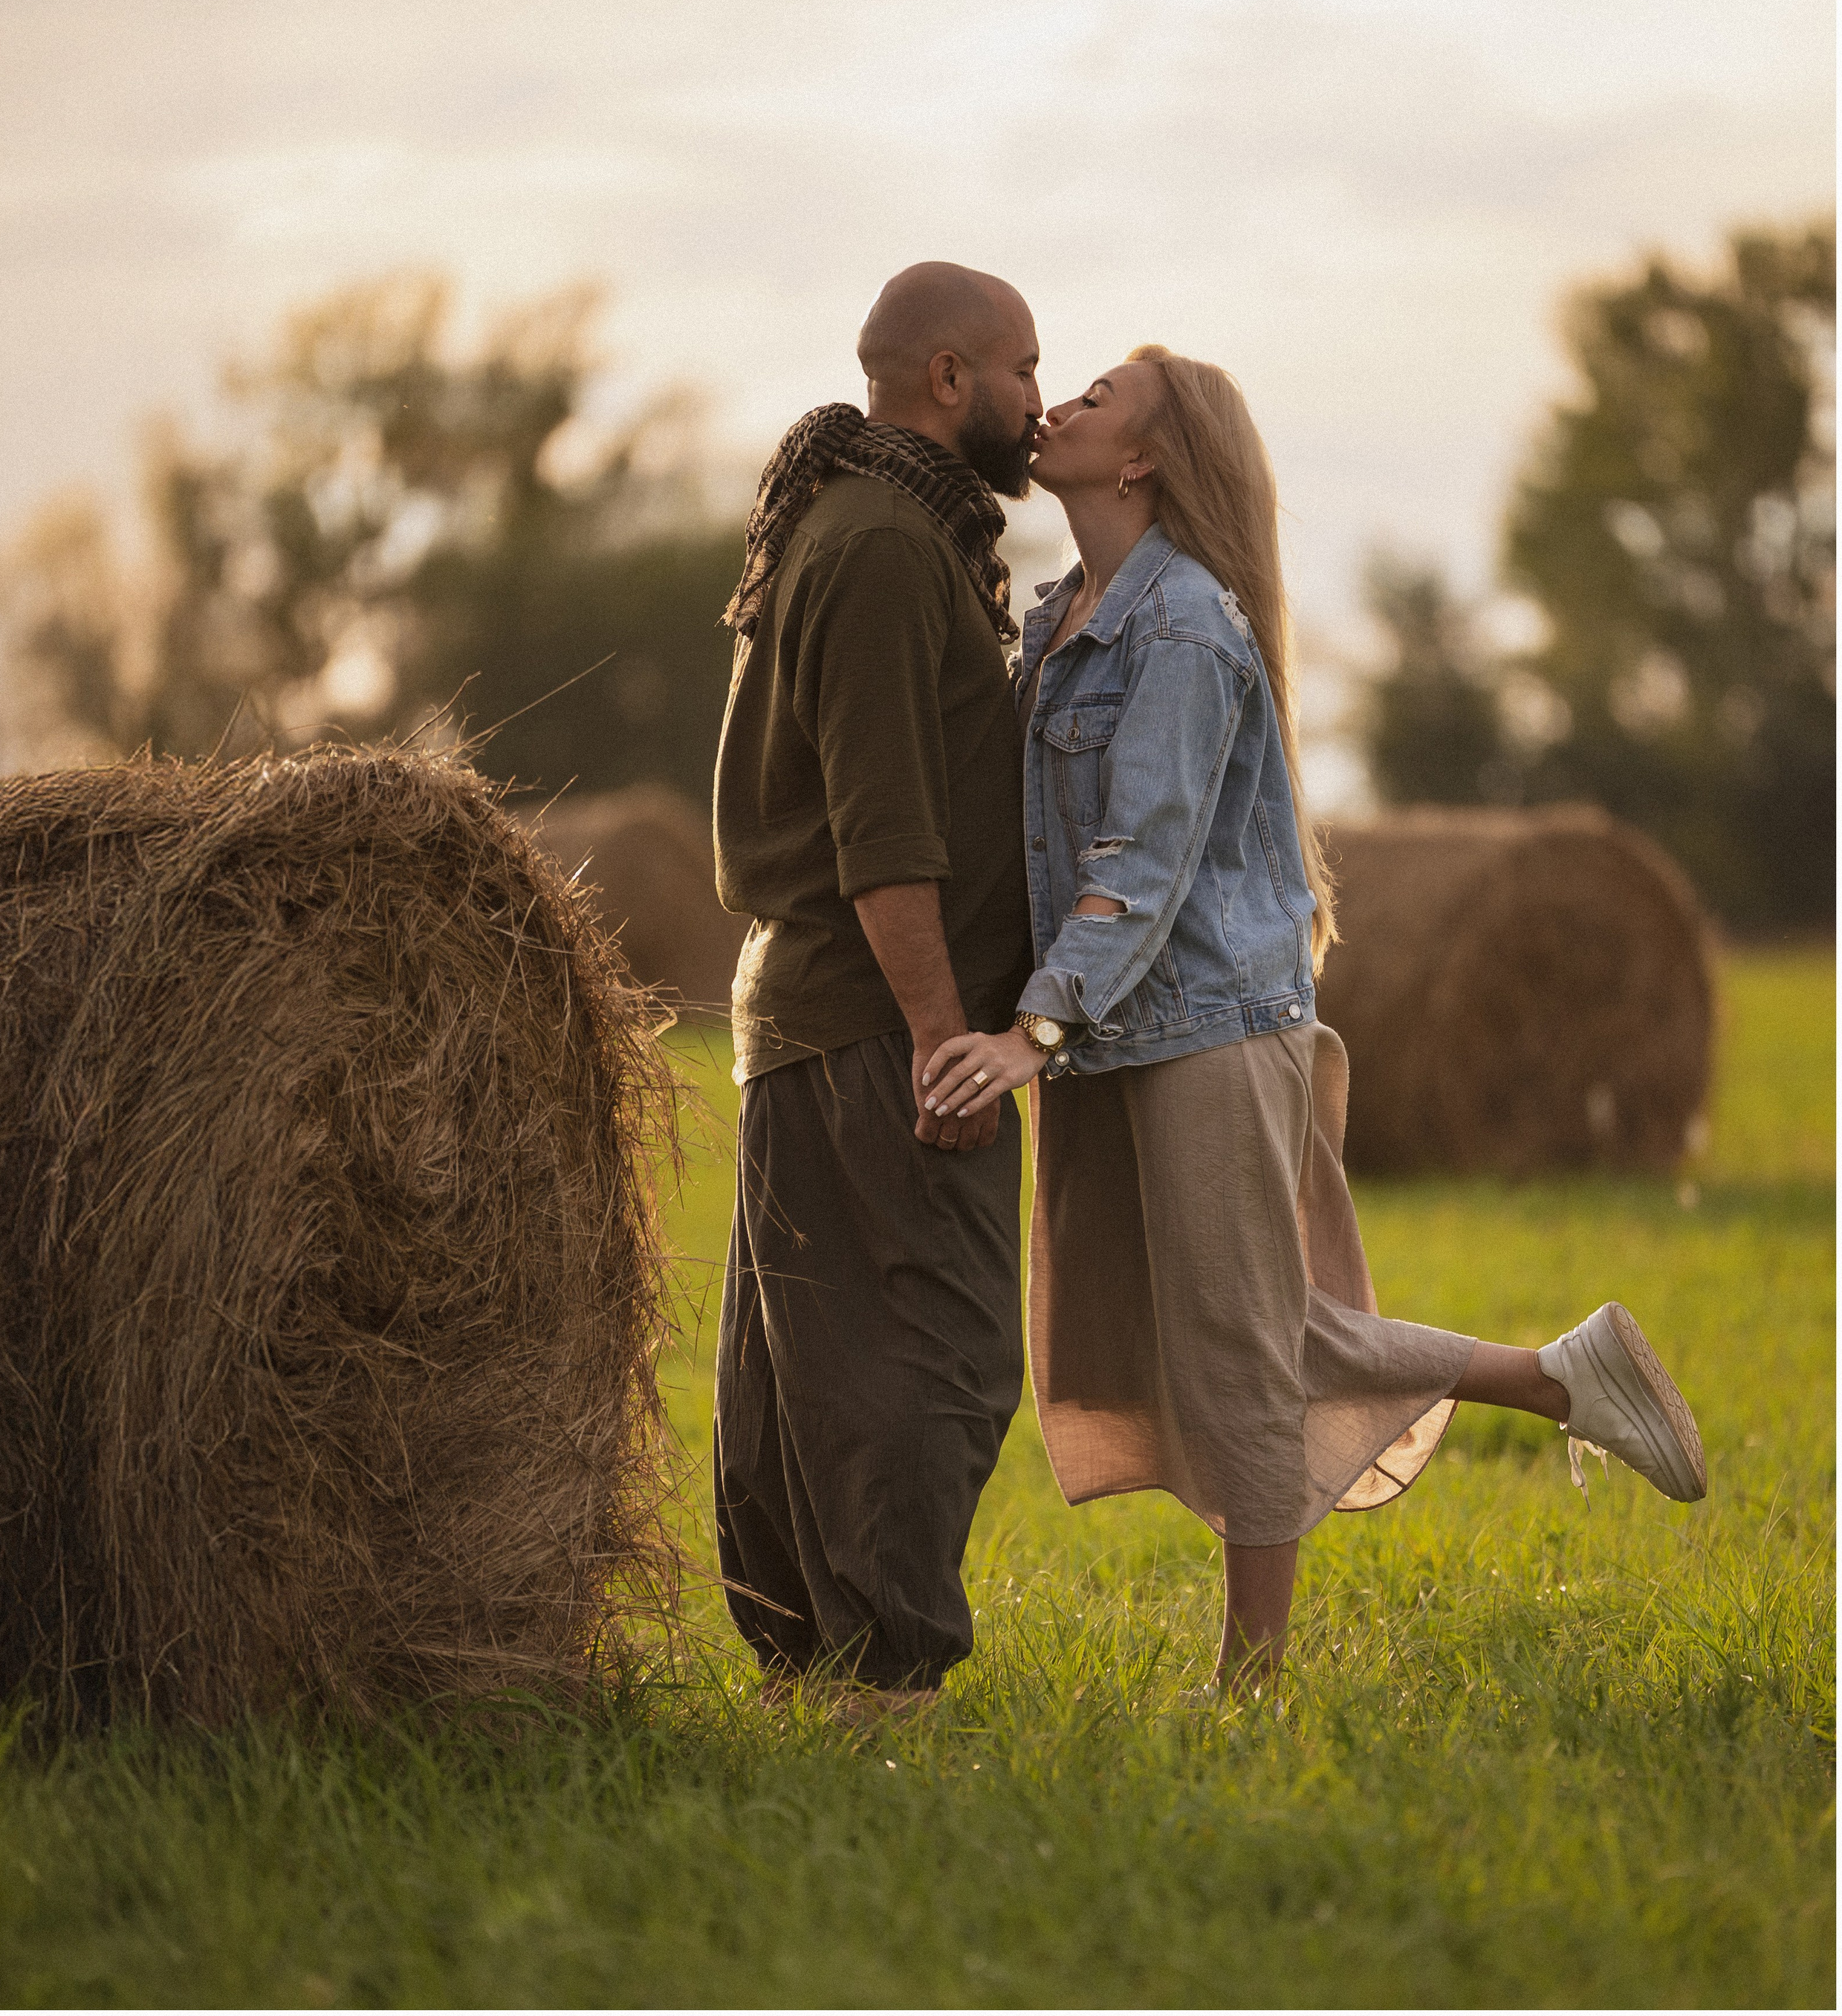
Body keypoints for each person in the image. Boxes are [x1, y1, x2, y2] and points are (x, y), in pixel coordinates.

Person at [922, 346, 1708, 1695]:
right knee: (1225, 1331)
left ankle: (1253, 1683)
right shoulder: (1061, 618)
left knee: (1240, 1349)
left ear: (1144, 460)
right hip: (1124, 1029)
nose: (1061, 404)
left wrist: (1028, 1034)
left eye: (1099, 398)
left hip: (1207, 1028)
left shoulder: (1183, 626)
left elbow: (1143, 856)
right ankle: (1558, 1375)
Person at [710, 261, 1043, 1714]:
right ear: (950, 378)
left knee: (812, 1368)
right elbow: (882, 832)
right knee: (937, 1357)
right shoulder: (887, 546)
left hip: (817, 1018)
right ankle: (880, 1693)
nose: (1040, 400)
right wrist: (939, 1039)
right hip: (871, 1022)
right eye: (1025, 369)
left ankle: (810, 1681)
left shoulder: (861, 523)